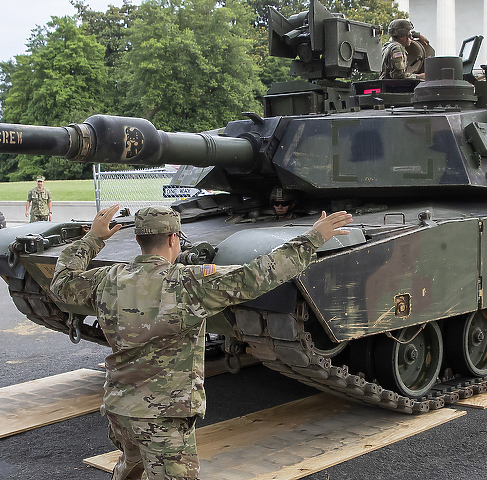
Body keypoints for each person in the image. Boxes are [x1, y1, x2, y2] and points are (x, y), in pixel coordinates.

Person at [46, 204, 353, 480]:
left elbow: (61, 283)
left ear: (139, 240)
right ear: (172, 240)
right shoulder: (189, 283)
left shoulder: (107, 279)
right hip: (163, 419)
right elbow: (257, 275)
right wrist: (311, 239)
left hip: (120, 411)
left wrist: (92, 238)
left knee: (131, 468)